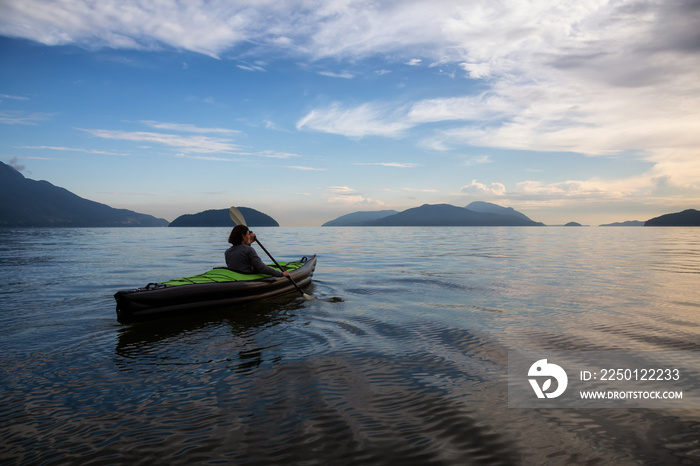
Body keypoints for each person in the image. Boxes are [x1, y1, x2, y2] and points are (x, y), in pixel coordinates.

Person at [225, 224, 291, 278]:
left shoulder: (228, 252)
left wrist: (250, 242)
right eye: (248, 235)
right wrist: (281, 274)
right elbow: (261, 268)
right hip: (248, 279)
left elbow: (242, 252)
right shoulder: (249, 249)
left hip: (236, 279)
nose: (248, 237)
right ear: (243, 236)